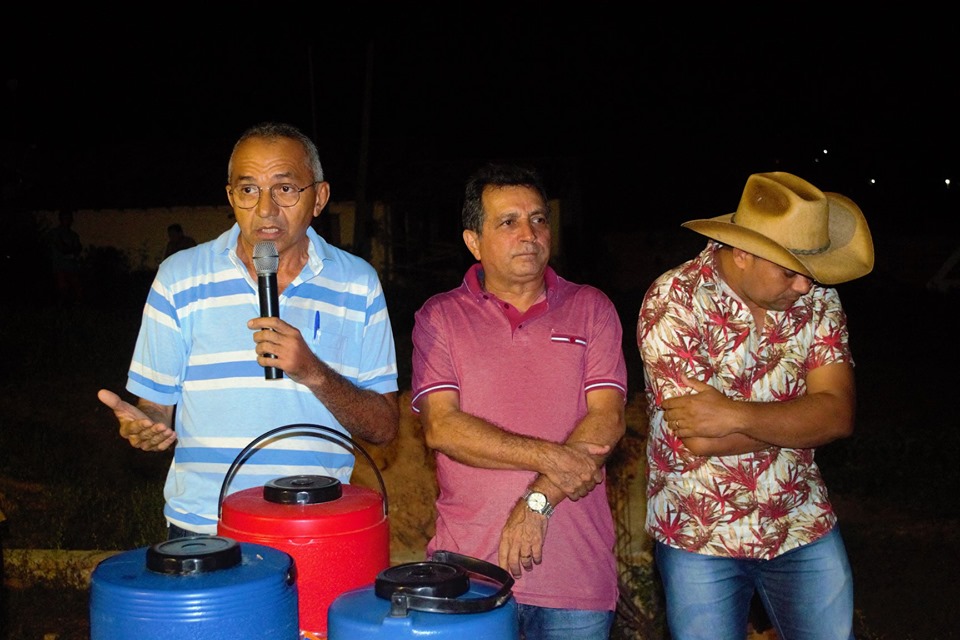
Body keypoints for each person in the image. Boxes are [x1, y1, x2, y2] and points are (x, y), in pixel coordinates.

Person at [97, 121, 400, 538]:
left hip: (316, 523)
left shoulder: (358, 283)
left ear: (319, 197)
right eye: (248, 189)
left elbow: (383, 427)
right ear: (230, 197)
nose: (265, 209)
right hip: (204, 526)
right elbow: (155, 407)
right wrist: (145, 425)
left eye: (285, 188)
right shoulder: (179, 278)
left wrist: (312, 370)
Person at [637, 171, 874, 640]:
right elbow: (699, 437)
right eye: (789, 272)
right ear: (742, 253)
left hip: (800, 518)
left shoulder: (820, 299)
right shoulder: (674, 301)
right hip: (699, 530)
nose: (805, 286)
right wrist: (798, 418)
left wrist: (735, 414)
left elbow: (837, 415)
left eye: (809, 271)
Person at [411, 163, 627, 640]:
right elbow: (442, 428)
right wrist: (551, 456)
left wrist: (537, 502)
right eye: (507, 222)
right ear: (473, 241)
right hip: (468, 577)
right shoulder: (440, 318)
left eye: (538, 219)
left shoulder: (592, 308)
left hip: (575, 579)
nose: (528, 234)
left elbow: (607, 420)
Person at [48, 208, 84, 307]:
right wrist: (71, 249)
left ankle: (76, 307)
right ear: (61, 219)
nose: (67, 220)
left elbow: (79, 248)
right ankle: (61, 307)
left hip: (72, 265)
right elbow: (61, 248)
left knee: (77, 287)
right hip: (59, 264)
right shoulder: (55, 233)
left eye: (69, 218)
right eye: (65, 218)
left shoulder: (74, 235)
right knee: (62, 288)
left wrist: (71, 250)